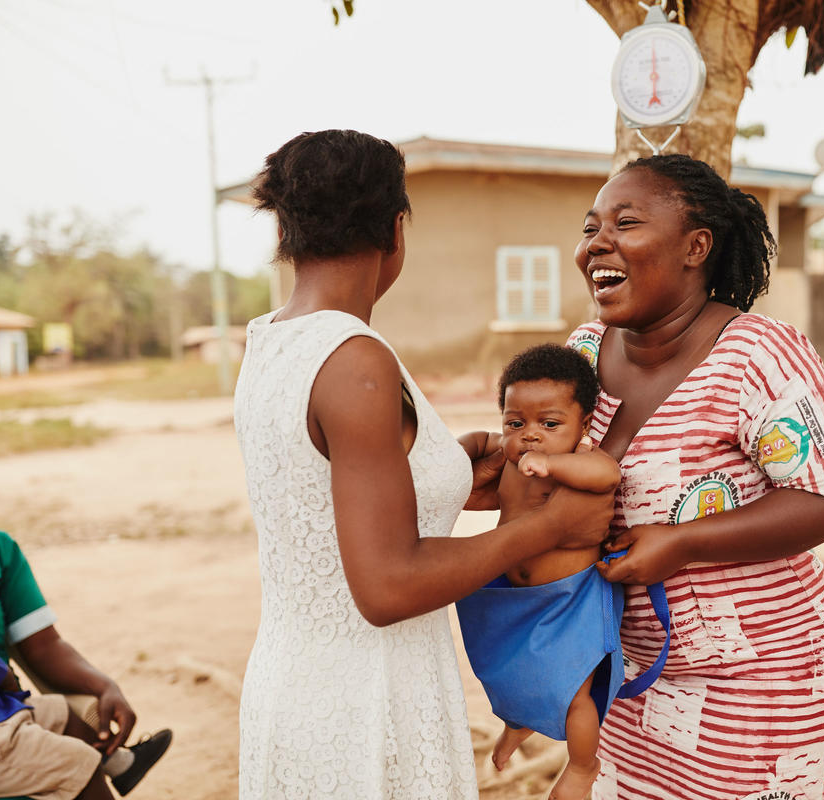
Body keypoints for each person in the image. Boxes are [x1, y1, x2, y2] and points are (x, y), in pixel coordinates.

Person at [233, 129, 614, 799]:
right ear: (395, 228)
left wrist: (450, 470)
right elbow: (387, 587)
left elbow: (323, 488)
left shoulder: (271, 340)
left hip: (293, 684)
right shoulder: (354, 359)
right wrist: (546, 528)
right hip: (366, 699)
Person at [567, 153, 824, 800]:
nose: (598, 244)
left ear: (695, 247)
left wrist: (683, 542)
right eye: (591, 227)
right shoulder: (582, 354)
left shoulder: (757, 354)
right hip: (631, 672)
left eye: (625, 223)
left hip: (762, 676)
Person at [455, 344, 622, 800]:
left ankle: (584, 767)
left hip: (569, 601)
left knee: (574, 695)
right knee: (510, 671)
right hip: (516, 597)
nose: (530, 436)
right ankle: (518, 722)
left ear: (583, 425)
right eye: (515, 423)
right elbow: (477, 457)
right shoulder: (511, 459)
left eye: (550, 424)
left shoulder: (579, 463)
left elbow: (606, 475)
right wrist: (460, 450)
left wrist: (553, 464)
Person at [0, 527, 172, 799]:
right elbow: (2, 675)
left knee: (67, 716)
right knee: (79, 763)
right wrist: (12, 694)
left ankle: (121, 764)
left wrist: (104, 687)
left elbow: (43, 645)